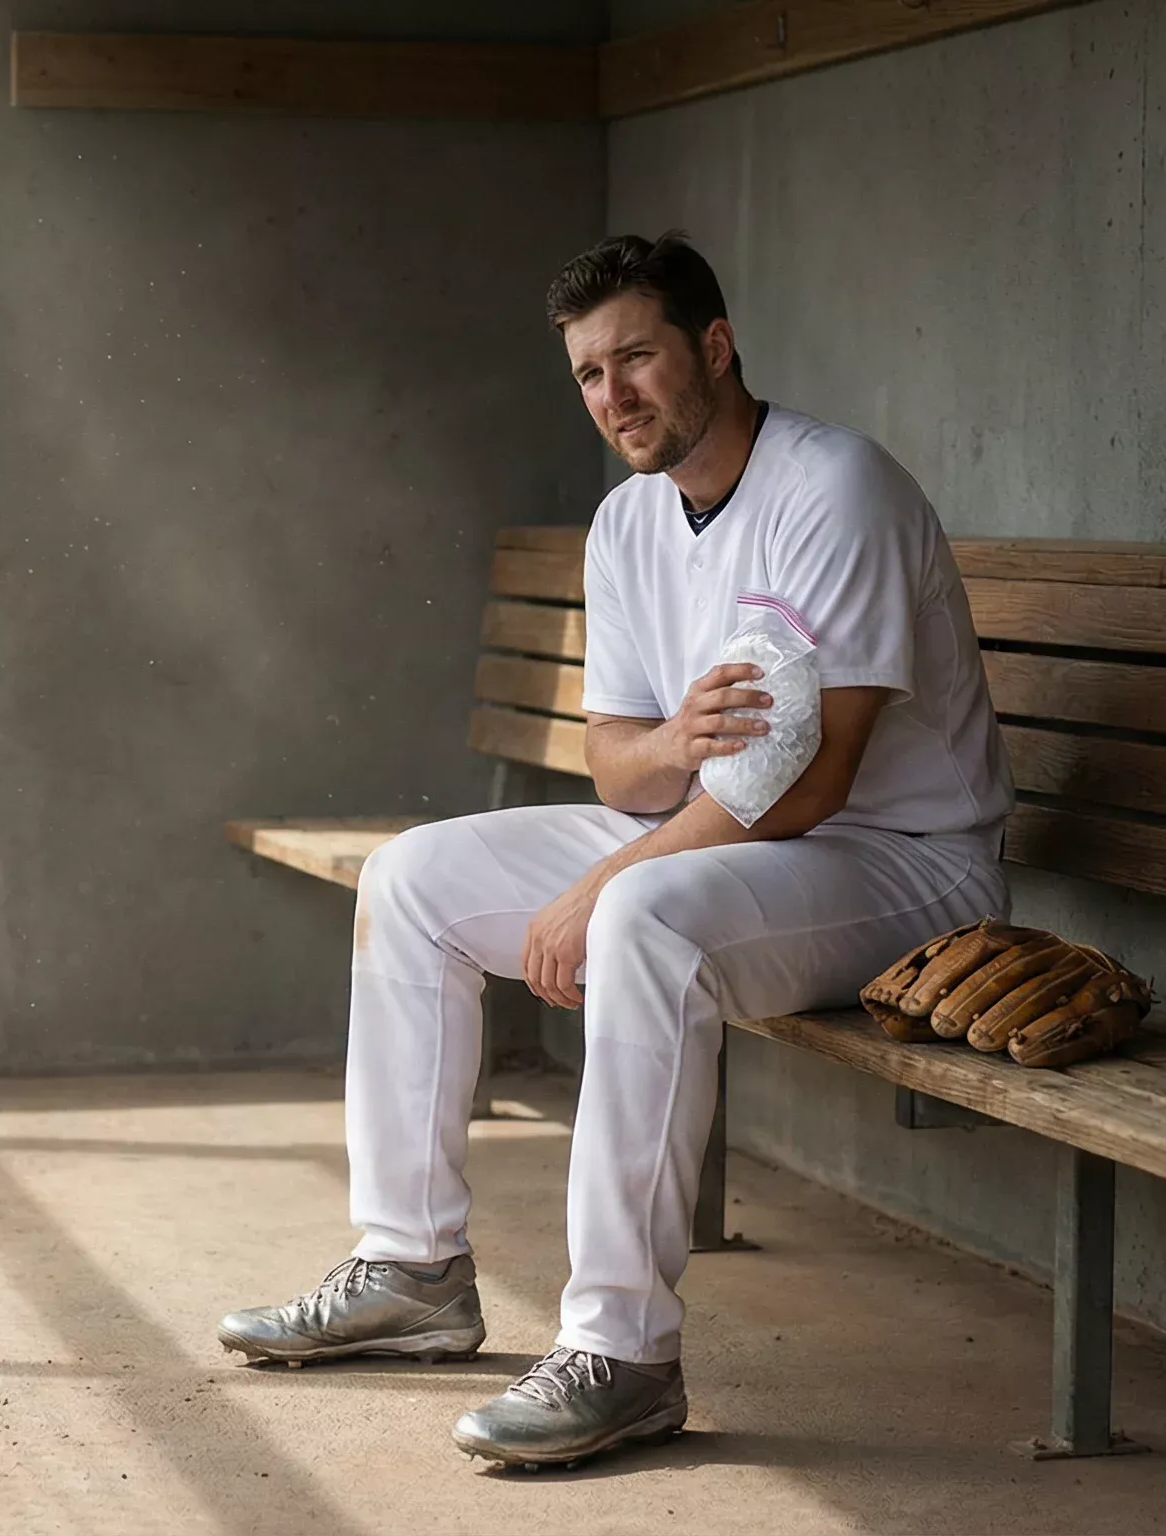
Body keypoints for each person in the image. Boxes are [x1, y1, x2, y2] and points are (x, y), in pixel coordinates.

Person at [215, 231, 1014, 1468]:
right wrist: (671, 752)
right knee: (410, 879)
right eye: (589, 374)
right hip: (717, 836)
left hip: (903, 863)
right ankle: (412, 1268)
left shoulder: (834, 488)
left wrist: (606, 875)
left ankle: (624, 1351)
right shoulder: (629, 521)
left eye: (635, 358)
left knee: (645, 918)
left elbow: (811, 781)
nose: (613, 397)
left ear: (714, 345)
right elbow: (615, 764)